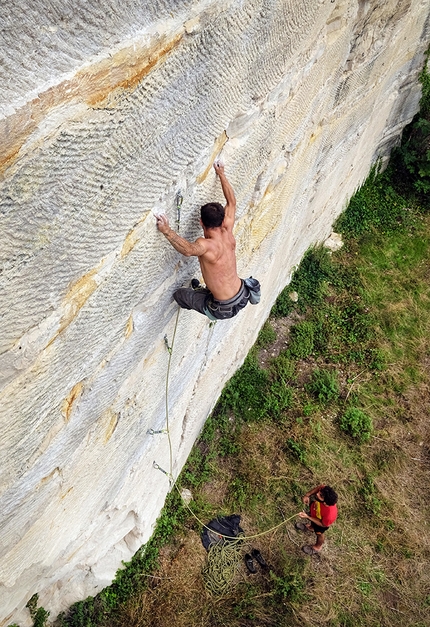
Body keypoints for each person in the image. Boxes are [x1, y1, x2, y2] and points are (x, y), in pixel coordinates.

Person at [155, 162, 260, 320]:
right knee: (211, 284)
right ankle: (206, 292)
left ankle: (203, 299)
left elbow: (188, 250)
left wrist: (166, 230)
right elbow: (232, 202)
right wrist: (222, 174)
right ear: (222, 219)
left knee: (180, 295)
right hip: (242, 295)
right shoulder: (227, 229)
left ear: (201, 222)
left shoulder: (206, 245)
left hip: (222, 308)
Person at [296, 484, 338, 555]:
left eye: (321, 495)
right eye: (319, 492)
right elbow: (319, 488)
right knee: (313, 521)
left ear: (325, 503)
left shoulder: (330, 515)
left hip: (321, 523)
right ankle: (311, 528)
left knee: (319, 534)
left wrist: (308, 517)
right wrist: (307, 495)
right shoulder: (324, 490)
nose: (317, 494)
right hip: (315, 512)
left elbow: (322, 524)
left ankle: (317, 547)